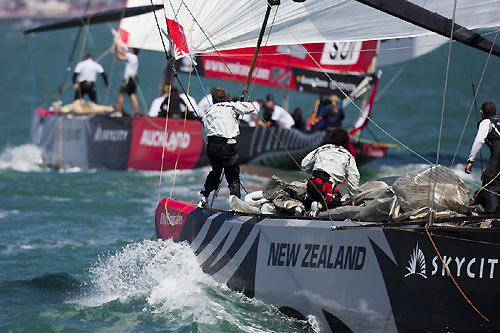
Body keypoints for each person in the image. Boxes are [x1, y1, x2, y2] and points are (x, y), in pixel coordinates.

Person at [198, 88, 255, 208]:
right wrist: (239, 105)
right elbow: (252, 108)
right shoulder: (231, 107)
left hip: (212, 147)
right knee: (233, 176)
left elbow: (205, 138)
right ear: (226, 98)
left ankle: (204, 198)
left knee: (215, 171)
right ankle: (236, 205)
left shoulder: (207, 113)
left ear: (212, 100)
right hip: (227, 145)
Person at [301, 128, 360, 217]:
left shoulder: (322, 149)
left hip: (311, 186)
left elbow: (304, 164)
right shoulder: (348, 156)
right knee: (337, 207)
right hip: (326, 190)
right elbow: (354, 179)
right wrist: (353, 199)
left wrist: (314, 170)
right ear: (346, 142)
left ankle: (301, 208)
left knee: (312, 198)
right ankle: (320, 206)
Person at [465, 101, 500, 213]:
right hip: (497, 157)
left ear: (482, 113)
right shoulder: (498, 122)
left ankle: (491, 215)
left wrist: (470, 160)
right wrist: (489, 170)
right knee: (492, 179)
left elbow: (479, 140)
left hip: (498, 155)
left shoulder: (486, 122)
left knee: (490, 184)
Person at [114, 39, 140, 116]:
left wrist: (117, 42)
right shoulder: (134, 58)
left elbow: (121, 51)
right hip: (134, 79)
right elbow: (119, 57)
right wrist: (116, 49)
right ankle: (136, 113)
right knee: (132, 95)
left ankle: (118, 112)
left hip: (128, 79)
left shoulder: (131, 56)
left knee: (121, 94)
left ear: (133, 50)